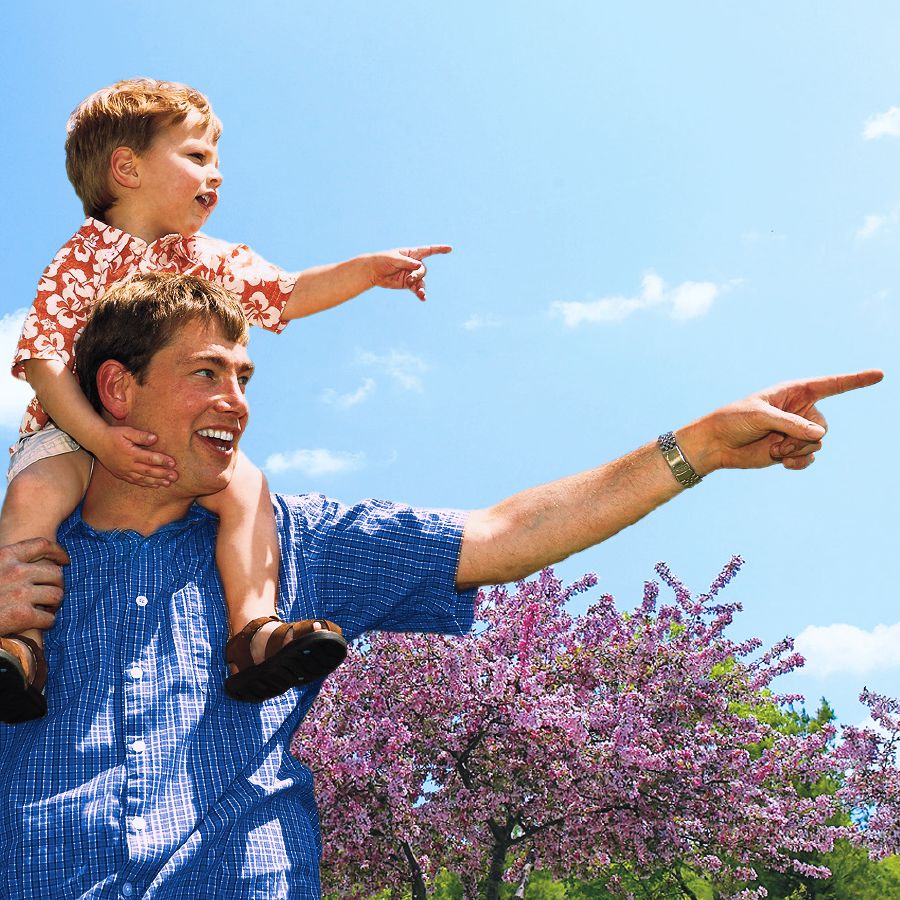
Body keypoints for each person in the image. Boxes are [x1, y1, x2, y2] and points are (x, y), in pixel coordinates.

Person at [0, 271, 881, 898]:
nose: (237, 400)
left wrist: (702, 446)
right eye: (206, 374)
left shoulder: (297, 541)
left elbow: (503, 537)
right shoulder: (15, 550)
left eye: (244, 376)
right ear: (116, 388)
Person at [0, 77, 453, 720]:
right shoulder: (83, 258)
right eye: (196, 156)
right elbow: (44, 362)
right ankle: (18, 640)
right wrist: (100, 439)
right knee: (34, 494)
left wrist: (367, 271)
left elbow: (286, 293)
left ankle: (254, 631)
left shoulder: (208, 260)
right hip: (75, 429)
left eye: (217, 159)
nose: (215, 173)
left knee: (247, 490)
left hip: (182, 442)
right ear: (126, 168)